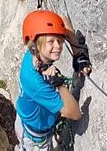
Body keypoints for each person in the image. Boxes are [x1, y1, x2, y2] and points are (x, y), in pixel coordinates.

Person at [16, 10, 91, 150]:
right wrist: (59, 83)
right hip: (36, 139)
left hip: (29, 118)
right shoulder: (36, 82)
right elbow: (75, 114)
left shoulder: (34, 55)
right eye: (51, 41)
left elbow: (63, 20)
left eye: (60, 40)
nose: (58, 46)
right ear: (35, 45)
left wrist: (78, 55)